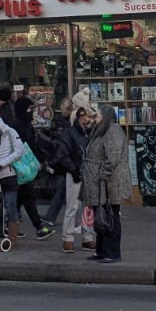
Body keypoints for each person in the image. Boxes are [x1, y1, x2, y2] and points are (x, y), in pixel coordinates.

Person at [81, 105, 132, 263]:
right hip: (99, 182)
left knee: (110, 216)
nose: (94, 118)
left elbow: (113, 156)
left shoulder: (113, 130)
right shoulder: (101, 130)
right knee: (101, 215)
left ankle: (112, 252)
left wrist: (103, 174)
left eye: (97, 115)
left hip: (109, 182)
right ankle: (102, 250)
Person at [0, 90, 51, 240]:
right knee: (27, 197)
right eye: (29, 110)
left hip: (23, 168)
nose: (31, 113)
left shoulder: (24, 125)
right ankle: (38, 227)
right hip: (20, 168)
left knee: (21, 199)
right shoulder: (17, 126)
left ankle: (11, 226)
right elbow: (28, 146)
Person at [53, 98, 96, 254]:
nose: (86, 119)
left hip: (86, 173)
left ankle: (87, 236)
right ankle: (69, 238)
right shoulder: (71, 134)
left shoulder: (87, 133)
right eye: (83, 117)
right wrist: (73, 171)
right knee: (73, 207)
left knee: (88, 207)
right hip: (77, 173)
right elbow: (63, 155)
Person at [0, 110, 26, 240]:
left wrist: (1, 163)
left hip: (9, 174)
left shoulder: (11, 133)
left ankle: (13, 235)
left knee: (10, 204)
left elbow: (19, 151)